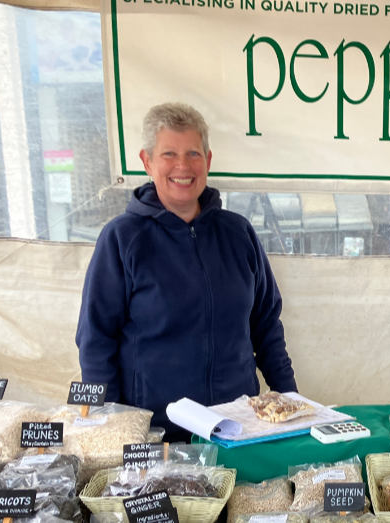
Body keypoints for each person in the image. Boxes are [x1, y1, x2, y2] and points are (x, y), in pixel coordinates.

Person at [76, 102, 297, 440]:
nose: (183, 165)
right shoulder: (121, 239)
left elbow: (266, 326)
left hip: (236, 429)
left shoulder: (239, 233)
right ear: (147, 161)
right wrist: (116, 429)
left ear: (207, 161)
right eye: (169, 154)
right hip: (157, 437)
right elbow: (95, 341)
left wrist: (291, 401)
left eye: (193, 153)